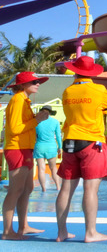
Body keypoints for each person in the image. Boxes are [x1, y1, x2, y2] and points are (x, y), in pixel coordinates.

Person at [56, 55, 107, 243]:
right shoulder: (99, 89)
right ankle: (91, 232)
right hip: (92, 141)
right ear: (92, 72)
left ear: (76, 70)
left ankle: (61, 232)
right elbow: (106, 107)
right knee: (90, 190)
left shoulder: (67, 91)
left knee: (65, 189)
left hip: (70, 140)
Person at [2, 71, 47, 240]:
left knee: (27, 188)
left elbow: (21, 125)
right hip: (17, 148)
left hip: (25, 148)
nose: (38, 84)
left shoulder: (24, 101)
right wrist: (37, 120)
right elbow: (14, 129)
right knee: (16, 190)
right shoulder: (17, 100)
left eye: (38, 81)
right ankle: (7, 231)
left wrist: (36, 118)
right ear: (22, 85)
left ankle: (23, 226)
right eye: (34, 81)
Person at [34, 104, 62, 192]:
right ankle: (58, 187)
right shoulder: (55, 122)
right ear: (50, 113)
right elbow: (58, 136)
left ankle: (44, 189)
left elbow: (34, 136)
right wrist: (60, 147)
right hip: (51, 147)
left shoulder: (36, 122)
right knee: (53, 168)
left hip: (39, 146)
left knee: (41, 169)